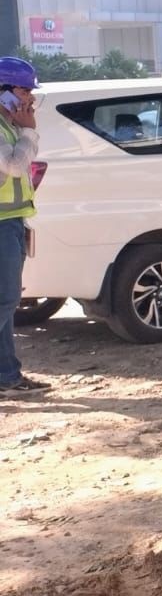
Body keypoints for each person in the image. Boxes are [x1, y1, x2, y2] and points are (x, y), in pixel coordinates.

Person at [0, 56, 46, 395]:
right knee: (6, 299)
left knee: (6, 302)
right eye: (23, 90)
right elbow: (15, 167)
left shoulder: (9, 126)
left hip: (11, 221)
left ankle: (7, 376)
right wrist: (29, 130)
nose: (29, 98)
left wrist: (24, 129)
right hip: (1, 224)